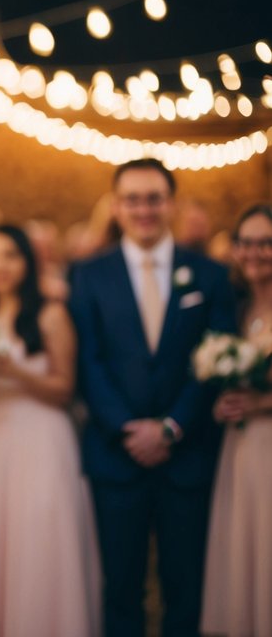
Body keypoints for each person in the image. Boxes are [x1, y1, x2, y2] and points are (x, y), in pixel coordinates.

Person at [70, 158, 236, 637]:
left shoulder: (208, 275)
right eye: (133, 199)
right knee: (120, 589)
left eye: (154, 198)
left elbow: (213, 359)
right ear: (117, 207)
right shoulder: (89, 274)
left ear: (171, 204)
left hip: (188, 454)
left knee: (185, 587)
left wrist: (171, 428)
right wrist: (127, 427)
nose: (144, 209)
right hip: (115, 456)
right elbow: (89, 363)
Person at [0, 225, 100, 637]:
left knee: (36, 540)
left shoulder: (50, 314)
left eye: (9, 255)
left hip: (39, 438)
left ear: (26, 261)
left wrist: (12, 370)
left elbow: (65, 388)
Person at [200, 204, 272, 636]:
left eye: (266, 243)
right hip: (240, 450)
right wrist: (219, 405)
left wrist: (261, 406)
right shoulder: (237, 309)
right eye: (245, 243)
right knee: (246, 552)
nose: (254, 253)